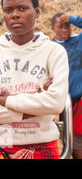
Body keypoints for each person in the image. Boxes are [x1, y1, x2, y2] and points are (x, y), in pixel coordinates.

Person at [0, 0, 69, 159]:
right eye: (8, 10)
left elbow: (55, 104)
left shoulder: (53, 52)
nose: (15, 14)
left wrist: (0, 99)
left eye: (22, 8)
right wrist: (31, 109)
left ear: (36, 12)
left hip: (41, 146)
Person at [51, 13, 82, 159]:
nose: (65, 30)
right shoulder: (52, 49)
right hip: (65, 104)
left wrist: (72, 19)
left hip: (80, 100)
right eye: (60, 27)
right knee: (69, 143)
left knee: (78, 143)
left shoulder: (78, 41)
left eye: (67, 26)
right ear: (53, 29)